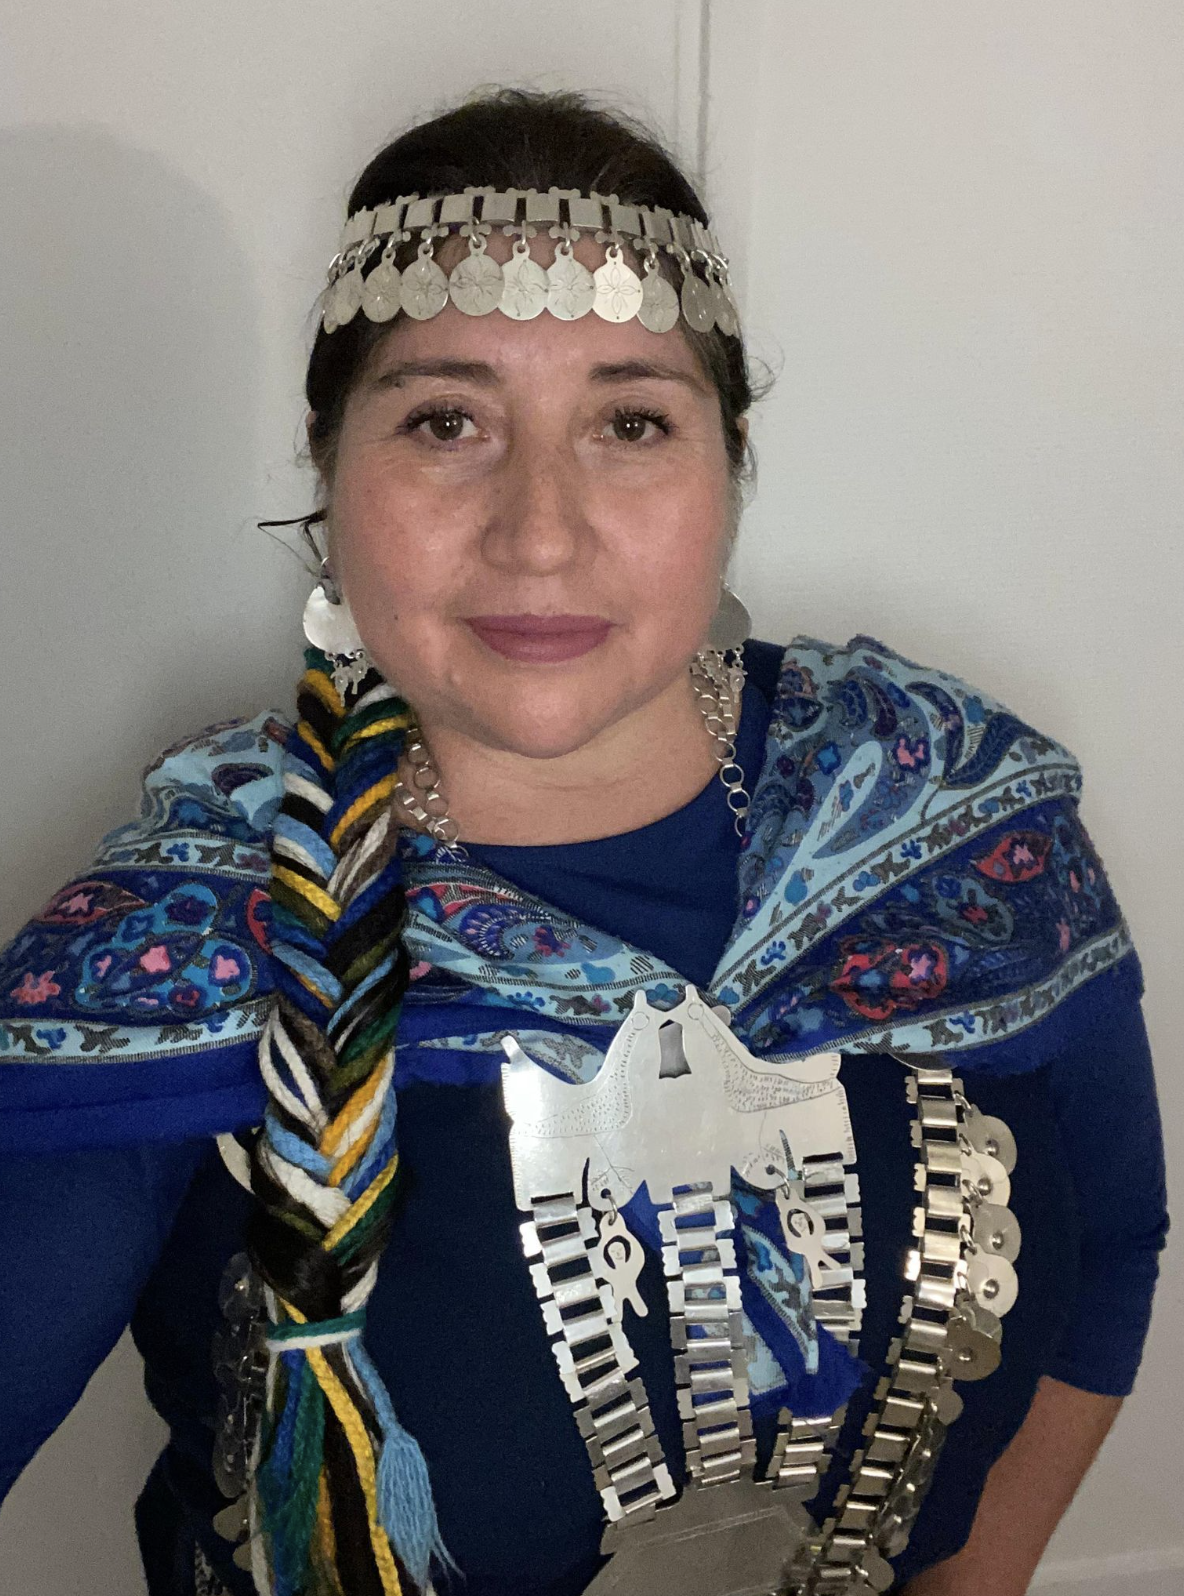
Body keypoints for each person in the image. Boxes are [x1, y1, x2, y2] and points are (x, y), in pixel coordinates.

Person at [0, 87, 1169, 1596]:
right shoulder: (194, 936)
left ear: (729, 465)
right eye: (446, 421)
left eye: (631, 422)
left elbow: (1113, 1247)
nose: (540, 529)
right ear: (328, 473)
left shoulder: (949, 804)